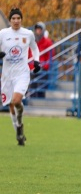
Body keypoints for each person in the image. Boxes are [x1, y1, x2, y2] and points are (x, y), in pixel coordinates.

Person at [0, 8, 40, 146]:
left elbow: (35, 48)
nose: (16, 21)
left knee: (17, 100)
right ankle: (19, 130)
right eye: (13, 18)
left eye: (18, 18)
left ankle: (19, 124)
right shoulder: (3, 34)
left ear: (21, 20)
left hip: (22, 73)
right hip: (7, 75)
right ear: (10, 20)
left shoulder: (28, 34)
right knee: (11, 105)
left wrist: (36, 60)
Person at [29, 22, 54, 98]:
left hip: (43, 68)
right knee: (32, 87)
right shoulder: (31, 41)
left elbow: (51, 56)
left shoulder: (48, 42)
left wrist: (44, 66)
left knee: (41, 87)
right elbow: (28, 54)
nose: (38, 31)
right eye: (37, 29)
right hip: (32, 67)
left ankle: (40, 99)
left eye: (40, 30)